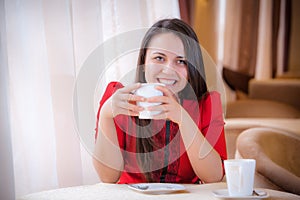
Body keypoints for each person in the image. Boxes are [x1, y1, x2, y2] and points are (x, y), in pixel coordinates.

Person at [93, 18, 227, 184]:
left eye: (181, 61)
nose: (168, 70)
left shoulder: (207, 105)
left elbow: (213, 177)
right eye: (159, 58)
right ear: (144, 61)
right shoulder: (118, 98)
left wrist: (182, 117)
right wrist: (106, 115)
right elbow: (107, 177)